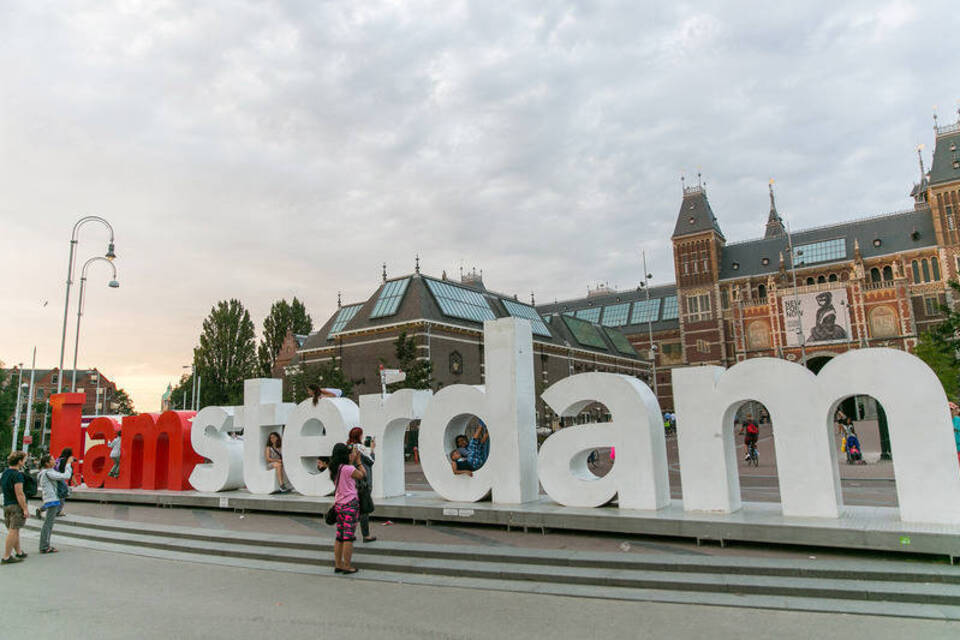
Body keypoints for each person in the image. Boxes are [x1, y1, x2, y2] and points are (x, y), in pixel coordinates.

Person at [329, 442, 365, 574]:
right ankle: (347, 566)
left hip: (338, 505)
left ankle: (338, 564)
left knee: (339, 536)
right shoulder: (348, 468)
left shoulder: (334, 468)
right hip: (350, 504)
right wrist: (358, 461)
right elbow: (362, 474)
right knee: (348, 537)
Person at [37, 453, 73, 554]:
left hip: (50, 499)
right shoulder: (48, 473)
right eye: (52, 460)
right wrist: (68, 465)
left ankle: (44, 545)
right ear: (47, 463)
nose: (55, 461)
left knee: (48, 523)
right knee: (48, 524)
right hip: (52, 500)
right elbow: (66, 475)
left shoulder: (47, 472)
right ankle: (44, 546)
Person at [347, 426, 377, 542]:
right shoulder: (360, 448)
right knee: (364, 509)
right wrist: (372, 449)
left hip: (352, 482)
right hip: (363, 482)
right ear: (359, 436)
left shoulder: (348, 447)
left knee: (353, 509)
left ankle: (350, 533)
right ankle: (366, 535)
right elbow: (371, 461)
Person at [2, 451, 30, 564]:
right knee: (13, 531)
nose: (24, 462)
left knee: (14, 529)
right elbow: (19, 493)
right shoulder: (17, 475)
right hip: (15, 505)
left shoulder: (5, 473)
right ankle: (6, 556)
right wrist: (25, 508)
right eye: (24, 460)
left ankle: (19, 552)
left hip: (7, 504)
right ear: (19, 461)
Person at [951, 402, 960, 469]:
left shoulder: (958, 420)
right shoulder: (941, 420)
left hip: (958, 449)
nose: (950, 411)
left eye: (952, 409)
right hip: (947, 450)